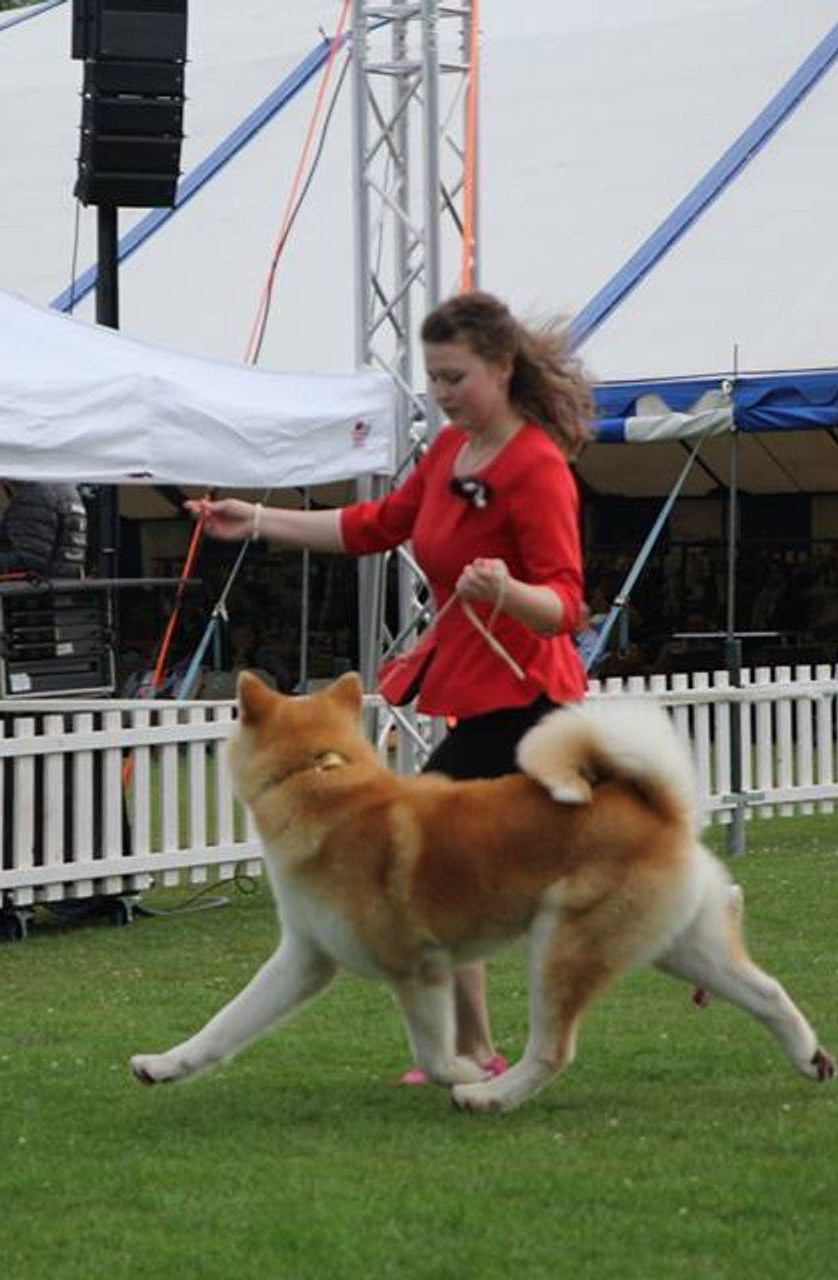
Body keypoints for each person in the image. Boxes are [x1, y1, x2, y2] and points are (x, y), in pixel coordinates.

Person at [189, 290, 594, 1084]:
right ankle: (471, 1047)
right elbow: (373, 527)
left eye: (456, 378)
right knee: (466, 878)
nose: (444, 395)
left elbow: (567, 604)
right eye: (435, 379)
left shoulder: (537, 467)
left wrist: (507, 590)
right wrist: (259, 520)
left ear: (503, 368)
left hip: (530, 707)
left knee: (473, 874)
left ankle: (472, 1047)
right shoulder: (450, 452)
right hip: (474, 700)